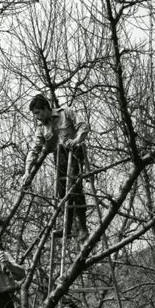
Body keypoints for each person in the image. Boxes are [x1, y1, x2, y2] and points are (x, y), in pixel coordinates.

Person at [26, 93, 90, 239]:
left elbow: (83, 126)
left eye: (38, 112)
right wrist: (27, 171)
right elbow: (34, 150)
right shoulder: (42, 128)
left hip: (75, 153)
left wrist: (76, 140)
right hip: (60, 158)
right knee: (62, 192)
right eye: (34, 114)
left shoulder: (66, 113)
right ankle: (67, 227)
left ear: (46, 108)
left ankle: (83, 227)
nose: (37, 117)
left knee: (75, 188)